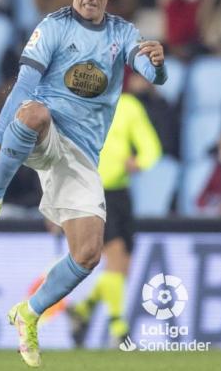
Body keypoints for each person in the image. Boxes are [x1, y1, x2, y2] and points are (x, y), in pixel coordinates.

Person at [0, 0, 167, 367]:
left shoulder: (123, 33)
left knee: (88, 254)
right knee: (34, 111)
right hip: (45, 133)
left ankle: (28, 313)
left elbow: (149, 73)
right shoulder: (52, 27)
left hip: (81, 157)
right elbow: (22, 88)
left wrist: (157, 65)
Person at [66, 91, 162, 347]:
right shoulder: (80, 105)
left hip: (120, 193)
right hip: (92, 191)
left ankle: (83, 310)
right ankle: (118, 330)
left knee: (122, 266)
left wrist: (140, 161)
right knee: (116, 254)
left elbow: (150, 145)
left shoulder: (128, 105)